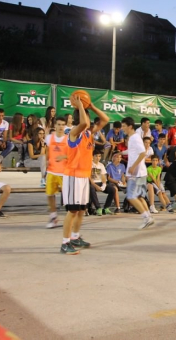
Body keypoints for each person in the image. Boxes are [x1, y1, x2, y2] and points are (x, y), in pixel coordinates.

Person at [60, 93, 109, 255]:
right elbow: (84, 122)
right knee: (72, 210)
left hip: (83, 176)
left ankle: (75, 237)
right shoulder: (74, 133)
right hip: (73, 175)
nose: (88, 120)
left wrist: (91, 106)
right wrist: (81, 105)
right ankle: (65, 243)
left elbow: (105, 119)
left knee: (82, 210)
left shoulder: (89, 133)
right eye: (85, 115)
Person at [121, 116, 154, 229]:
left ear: (130, 126)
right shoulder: (133, 138)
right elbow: (133, 151)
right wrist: (121, 153)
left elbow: (142, 153)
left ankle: (146, 217)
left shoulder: (135, 138)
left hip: (136, 173)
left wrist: (133, 167)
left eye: (124, 126)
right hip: (139, 172)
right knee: (139, 197)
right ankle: (148, 216)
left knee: (131, 196)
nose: (122, 128)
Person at [45, 117, 68, 228]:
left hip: (64, 173)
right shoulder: (49, 138)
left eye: (63, 125)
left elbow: (73, 155)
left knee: (68, 197)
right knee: (50, 195)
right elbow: (47, 153)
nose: (61, 127)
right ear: (55, 126)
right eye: (59, 124)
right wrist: (46, 165)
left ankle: (70, 218)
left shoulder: (68, 139)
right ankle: (53, 217)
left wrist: (63, 156)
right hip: (51, 171)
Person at [88, 150, 121, 216]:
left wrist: (104, 185)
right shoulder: (89, 164)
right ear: (92, 156)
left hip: (100, 182)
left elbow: (103, 176)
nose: (98, 158)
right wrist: (95, 186)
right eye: (96, 156)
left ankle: (106, 208)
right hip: (92, 183)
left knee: (112, 189)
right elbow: (89, 177)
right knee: (91, 188)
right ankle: (98, 208)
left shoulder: (101, 165)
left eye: (99, 156)